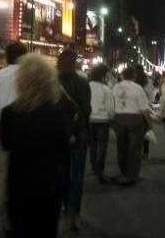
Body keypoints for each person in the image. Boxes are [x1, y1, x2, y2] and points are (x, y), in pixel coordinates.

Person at [0, 53, 70, 238]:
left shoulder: (8, 113)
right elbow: (63, 149)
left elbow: (5, 144)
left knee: (20, 230)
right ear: (48, 81)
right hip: (48, 185)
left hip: (18, 184)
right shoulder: (56, 114)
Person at [0, 41, 27, 234]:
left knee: (5, 174)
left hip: (4, 129)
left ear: (6, 57)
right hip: (31, 127)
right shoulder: (32, 77)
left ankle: (8, 220)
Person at [58, 49, 91, 233]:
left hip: (60, 136)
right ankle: (74, 212)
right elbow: (87, 109)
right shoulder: (83, 83)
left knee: (62, 172)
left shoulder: (53, 83)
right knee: (78, 175)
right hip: (80, 134)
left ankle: (64, 205)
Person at [113, 67, 152, 185]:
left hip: (119, 119)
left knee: (121, 147)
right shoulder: (138, 88)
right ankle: (132, 175)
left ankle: (124, 171)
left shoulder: (116, 87)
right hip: (135, 120)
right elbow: (144, 108)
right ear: (133, 76)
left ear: (123, 76)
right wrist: (149, 123)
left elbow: (112, 103)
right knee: (134, 148)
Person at [88, 64, 114, 183]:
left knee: (93, 145)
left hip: (90, 120)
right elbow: (110, 109)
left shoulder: (87, 86)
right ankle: (100, 170)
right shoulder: (106, 89)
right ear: (103, 75)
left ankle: (93, 166)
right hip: (102, 120)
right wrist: (111, 118)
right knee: (102, 147)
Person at [134, 64, 154, 159]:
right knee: (146, 132)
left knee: (136, 132)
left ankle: (136, 152)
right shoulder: (148, 81)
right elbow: (151, 96)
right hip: (146, 108)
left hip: (135, 110)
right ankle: (146, 153)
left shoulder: (133, 82)